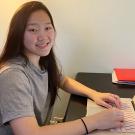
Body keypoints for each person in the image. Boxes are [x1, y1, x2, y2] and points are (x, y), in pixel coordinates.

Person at [0, 1, 124, 135]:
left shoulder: (41, 61)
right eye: (33, 30)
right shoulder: (13, 75)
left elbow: (62, 80)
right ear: (18, 33)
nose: (43, 36)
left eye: (47, 28)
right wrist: (95, 121)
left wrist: (94, 94)